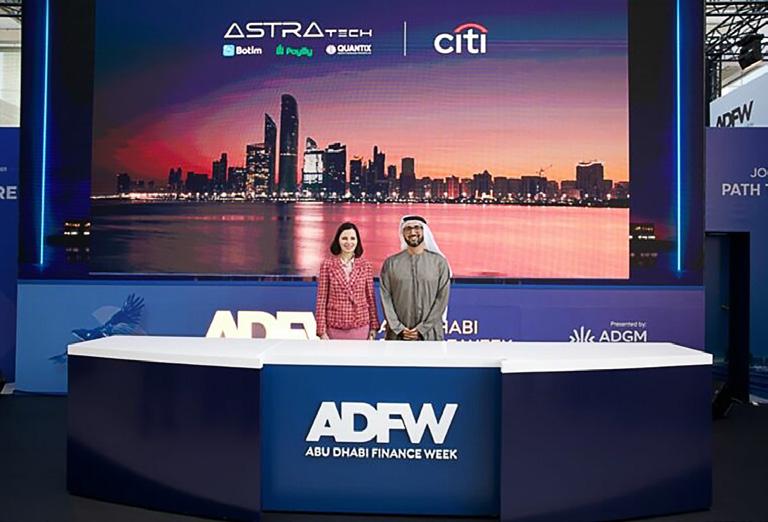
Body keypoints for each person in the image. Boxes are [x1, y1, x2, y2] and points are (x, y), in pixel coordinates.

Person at [379, 215, 451, 341]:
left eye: (417, 227)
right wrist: (398, 328)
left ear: (424, 231)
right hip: (398, 335)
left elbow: (442, 299)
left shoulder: (439, 263)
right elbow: (386, 298)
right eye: (408, 229)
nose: (413, 232)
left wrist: (423, 328)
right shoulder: (391, 264)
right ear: (403, 233)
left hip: (430, 334)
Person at [315, 222, 380, 340]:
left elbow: (370, 298)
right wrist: (321, 331)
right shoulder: (327, 265)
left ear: (357, 241)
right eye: (344, 238)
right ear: (338, 240)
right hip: (334, 326)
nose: (349, 242)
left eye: (352, 238)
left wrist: (374, 327)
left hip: (360, 325)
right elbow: (321, 299)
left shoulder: (366, 266)